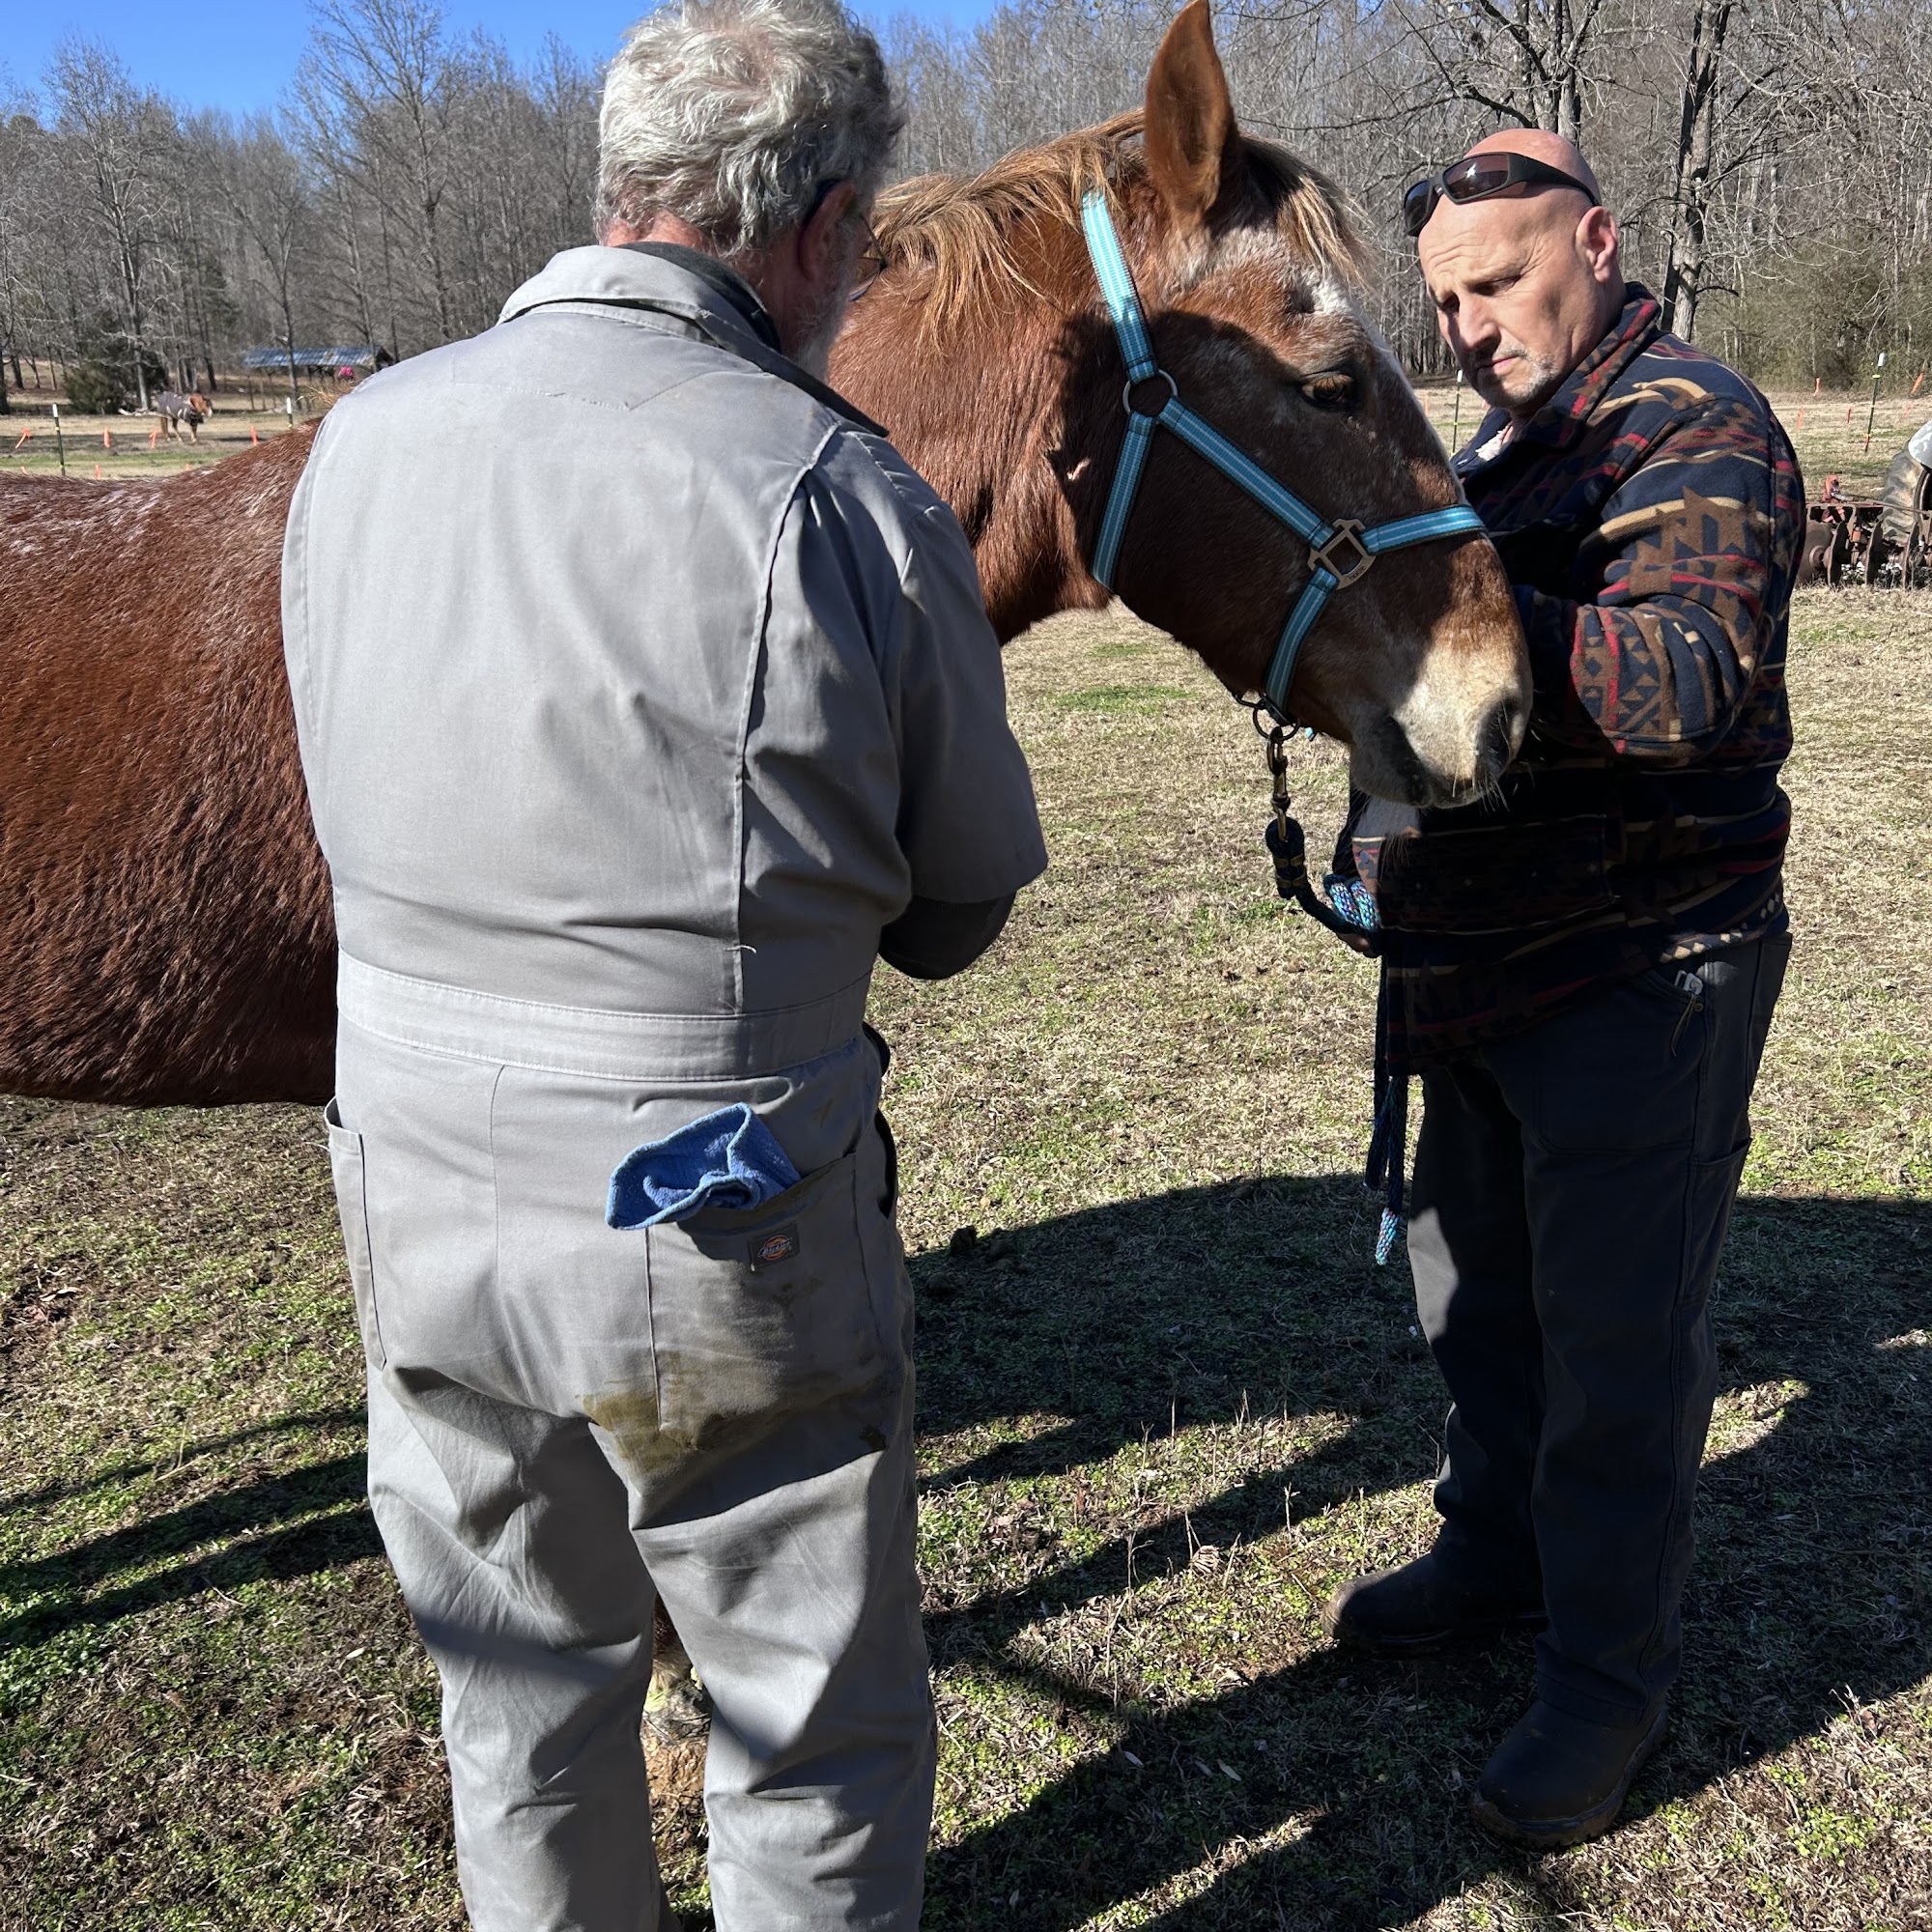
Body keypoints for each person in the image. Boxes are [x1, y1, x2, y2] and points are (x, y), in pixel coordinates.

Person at [280, 2, 1047, 1925]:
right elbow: (959, 907)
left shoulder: (358, 444)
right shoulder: (839, 491)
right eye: (856, 246)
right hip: (705, 1206)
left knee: (518, 1690)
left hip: (412, 1175)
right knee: (803, 1715)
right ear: (806, 236)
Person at [1323, 130, 1803, 1849]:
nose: (1468, 324)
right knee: (1477, 1298)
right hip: (1480, 969)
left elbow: (1676, 681)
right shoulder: (1499, 449)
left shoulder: (1697, 421)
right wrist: (1385, 805)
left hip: (1643, 966)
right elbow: (1435, 688)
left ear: (1595, 242)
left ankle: (1609, 1683)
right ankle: (1500, 1552)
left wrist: (1442, 582)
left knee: (1617, 1342)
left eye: (1500, 282)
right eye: (1446, 299)